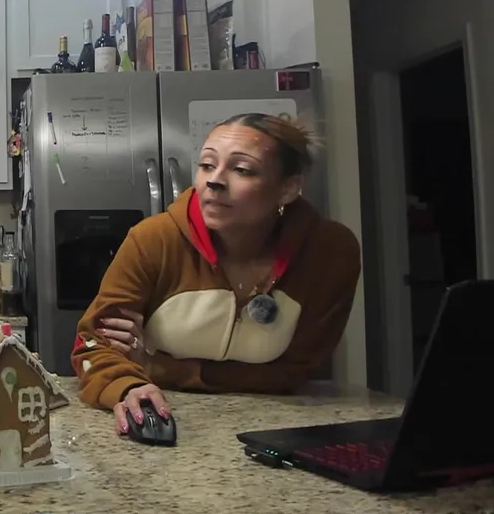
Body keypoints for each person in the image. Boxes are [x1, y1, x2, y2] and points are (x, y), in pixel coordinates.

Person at [70, 112, 361, 436]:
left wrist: (156, 367)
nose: (214, 181)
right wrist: (128, 386)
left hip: (274, 427)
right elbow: (93, 345)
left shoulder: (330, 252)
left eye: (241, 169)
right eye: (207, 165)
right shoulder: (153, 240)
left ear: (288, 188)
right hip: (178, 427)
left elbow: (296, 371)